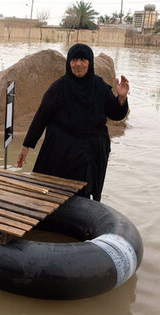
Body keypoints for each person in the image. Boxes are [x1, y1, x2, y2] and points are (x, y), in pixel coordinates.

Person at [16, 43, 129, 202]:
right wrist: (27, 145)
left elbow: (116, 114)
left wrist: (121, 98)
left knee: (85, 192)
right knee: (55, 191)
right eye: (74, 59)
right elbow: (42, 116)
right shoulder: (59, 87)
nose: (78, 64)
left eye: (83, 59)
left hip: (92, 150)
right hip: (62, 149)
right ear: (69, 62)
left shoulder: (100, 87)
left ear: (90, 62)